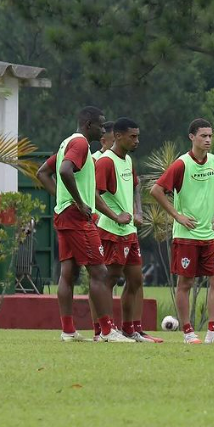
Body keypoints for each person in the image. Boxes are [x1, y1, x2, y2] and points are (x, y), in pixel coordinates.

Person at [38, 106, 133, 342]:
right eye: (100, 125)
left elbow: (43, 173)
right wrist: (78, 202)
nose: (103, 130)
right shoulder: (80, 144)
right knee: (99, 271)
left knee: (68, 273)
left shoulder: (66, 143)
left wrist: (64, 198)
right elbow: (64, 171)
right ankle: (108, 331)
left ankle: (68, 331)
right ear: (88, 124)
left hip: (64, 213)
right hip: (75, 217)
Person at [151, 118, 214, 345]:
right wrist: (177, 215)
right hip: (186, 236)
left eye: (210, 136)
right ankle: (188, 333)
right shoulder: (181, 165)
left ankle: (213, 332)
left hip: (210, 236)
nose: (208, 140)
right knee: (185, 284)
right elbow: (156, 190)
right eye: (203, 136)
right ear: (192, 137)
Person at [94, 117, 162, 343]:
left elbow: (135, 186)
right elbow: (93, 195)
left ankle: (128, 329)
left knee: (136, 280)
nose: (137, 141)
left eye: (138, 136)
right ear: (118, 136)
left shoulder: (128, 160)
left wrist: (138, 211)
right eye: (133, 136)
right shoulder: (105, 162)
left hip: (129, 232)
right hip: (110, 232)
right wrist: (115, 216)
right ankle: (105, 331)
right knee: (109, 279)